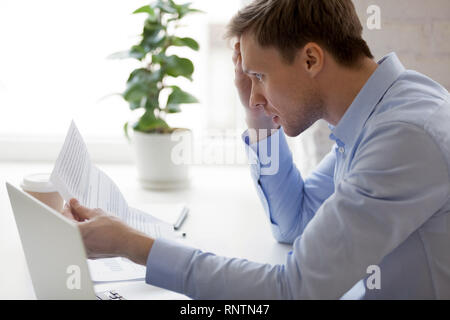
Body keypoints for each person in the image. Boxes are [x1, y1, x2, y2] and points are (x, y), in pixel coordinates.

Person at [63, 0, 450, 299]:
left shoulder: (403, 136)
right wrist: (258, 114)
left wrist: (134, 246)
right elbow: (295, 223)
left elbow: (293, 290)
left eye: (260, 76)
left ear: (311, 59)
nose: (255, 93)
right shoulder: (376, 113)